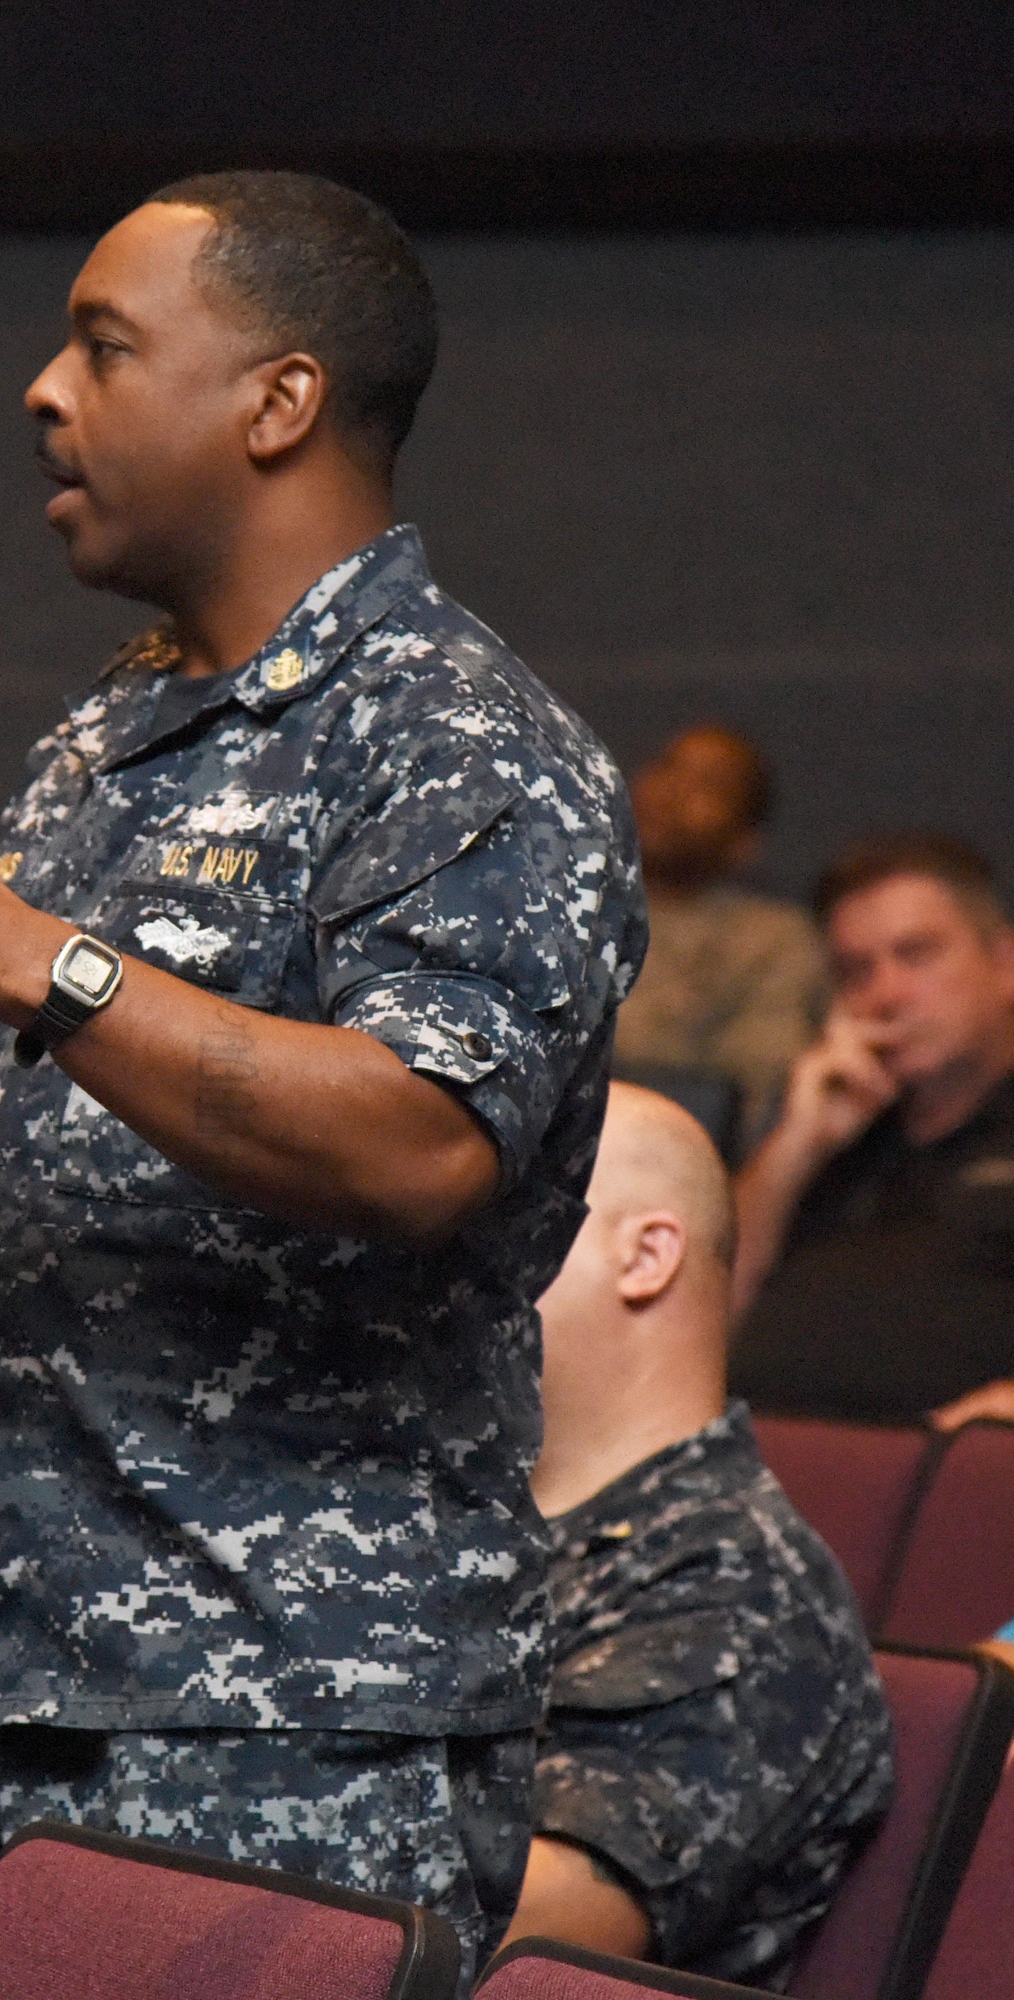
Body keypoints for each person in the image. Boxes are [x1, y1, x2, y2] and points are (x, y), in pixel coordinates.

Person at [0, 171, 645, 1981]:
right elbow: (7, 1205)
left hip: (295, 1738)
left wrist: (37, 958)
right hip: (11, 1699)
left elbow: (418, 1148)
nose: (40, 388)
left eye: (103, 347)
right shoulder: (110, 737)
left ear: (278, 401)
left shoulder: (466, 745)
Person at [505, 1084, 893, 1987]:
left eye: (506, 1220)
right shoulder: (460, 1524)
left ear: (644, 1255)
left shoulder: (733, 1580)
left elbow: (530, 1930)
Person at [729, 834, 1014, 1425]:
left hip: (940, 1484)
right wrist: (794, 1149)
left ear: (1005, 965)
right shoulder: (830, 1136)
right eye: (856, 971)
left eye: (917, 954)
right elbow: (693, 1326)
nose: (885, 995)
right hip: (744, 1466)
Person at [614, 726, 823, 1153]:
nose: (670, 792)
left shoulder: (771, 940)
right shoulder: (549, 903)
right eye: (666, 767)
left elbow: (751, 1095)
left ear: (744, 842)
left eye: (707, 785)